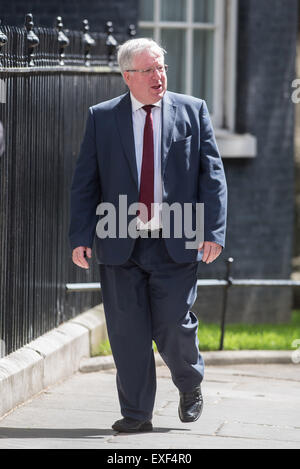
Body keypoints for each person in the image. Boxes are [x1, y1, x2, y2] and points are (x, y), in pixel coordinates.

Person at [69, 38, 227, 433]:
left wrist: (213, 231)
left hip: (177, 237)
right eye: (149, 70)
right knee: (127, 332)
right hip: (119, 238)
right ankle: (137, 415)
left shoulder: (193, 111)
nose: (159, 77)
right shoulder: (102, 117)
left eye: (162, 68)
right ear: (128, 76)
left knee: (173, 323)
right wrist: (80, 235)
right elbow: (85, 182)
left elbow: (213, 177)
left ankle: (190, 383)